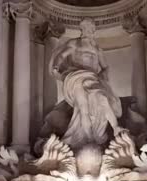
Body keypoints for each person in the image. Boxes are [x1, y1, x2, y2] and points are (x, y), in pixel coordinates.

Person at [48, 18, 124, 148]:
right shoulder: (75, 43)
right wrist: (56, 67)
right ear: (82, 29)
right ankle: (90, 140)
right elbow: (61, 56)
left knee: (102, 98)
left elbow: (105, 66)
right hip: (76, 77)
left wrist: (103, 77)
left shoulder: (97, 49)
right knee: (83, 108)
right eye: (88, 28)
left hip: (93, 78)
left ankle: (116, 127)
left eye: (92, 28)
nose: (91, 30)